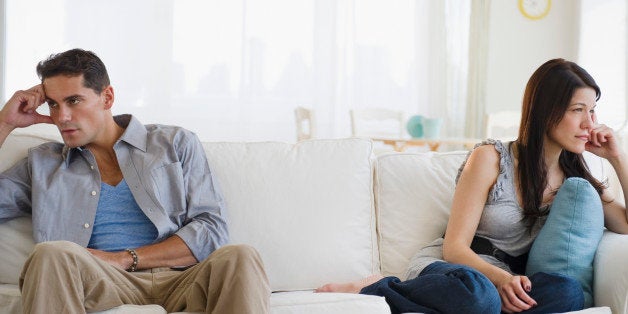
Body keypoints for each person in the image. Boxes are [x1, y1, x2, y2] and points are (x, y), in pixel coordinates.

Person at [317, 58, 628, 313]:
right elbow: (454, 247)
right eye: (578, 110)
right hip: (457, 269)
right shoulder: (491, 157)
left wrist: (617, 157)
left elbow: (625, 224)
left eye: (592, 109)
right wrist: (500, 279)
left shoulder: (575, 179)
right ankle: (379, 287)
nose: (590, 123)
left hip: (509, 281)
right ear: (545, 112)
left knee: (568, 292)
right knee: (479, 296)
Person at [0, 48, 270, 314]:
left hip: (182, 280)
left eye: (73, 101)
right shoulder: (43, 165)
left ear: (107, 98)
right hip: (98, 281)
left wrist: (124, 259)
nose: (62, 117)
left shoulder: (174, 144)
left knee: (241, 257)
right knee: (50, 254)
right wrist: (4, 122)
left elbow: (212, 231)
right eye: (54, 104)